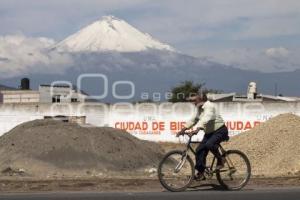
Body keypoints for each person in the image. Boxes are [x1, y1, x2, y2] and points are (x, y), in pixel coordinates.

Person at [176, 93, 229, 180]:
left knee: (209, 144)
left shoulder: (210, 106)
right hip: (209, 133)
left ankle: (221, 160)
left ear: (201, 100)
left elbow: (206, 118)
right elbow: (194, 119)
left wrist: (197, 129)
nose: (193, 103)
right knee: (199, 150)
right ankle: (201, 173)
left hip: (220, 131)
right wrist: (183, 130)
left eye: (195, 100)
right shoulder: (199, 109)